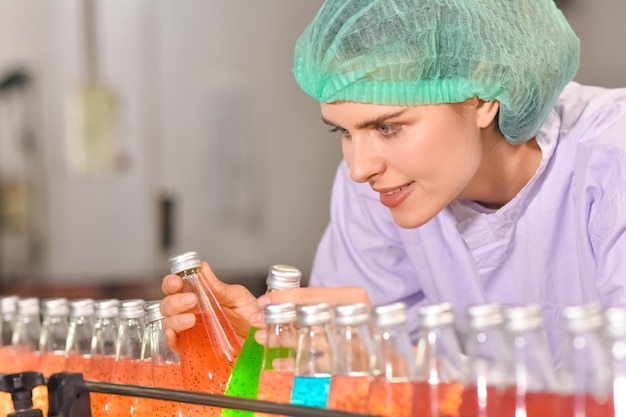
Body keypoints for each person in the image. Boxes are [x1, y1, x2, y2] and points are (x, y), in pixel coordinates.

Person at [160, 0, 626, 368]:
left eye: (388, 127)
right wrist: (268, 353)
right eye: (343, 131)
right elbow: (336, 391)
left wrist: (399, 365)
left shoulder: (611, 160)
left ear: (484, 97)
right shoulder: (378, 191)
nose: (359, 167)